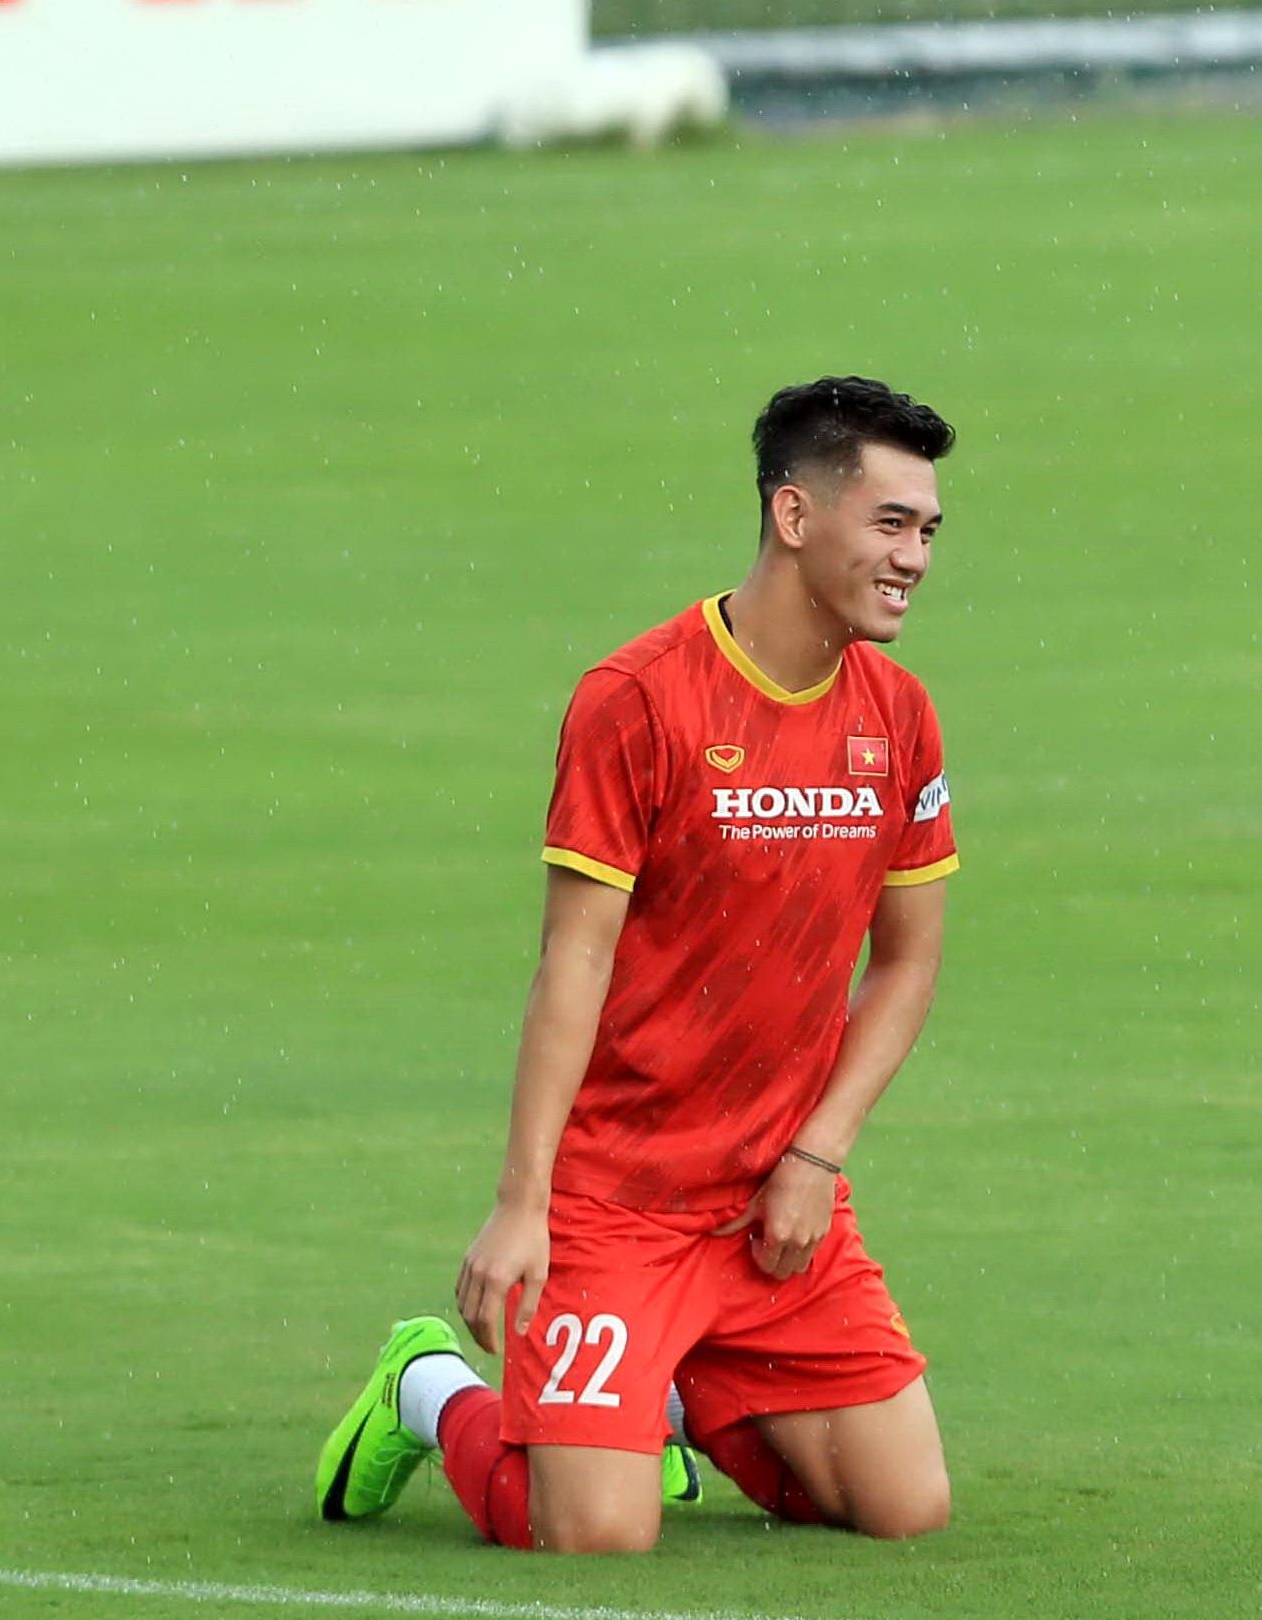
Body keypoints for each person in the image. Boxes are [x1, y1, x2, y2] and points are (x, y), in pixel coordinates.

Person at [312, 377, 962, 1552]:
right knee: (594, 1535)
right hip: (621, 1201)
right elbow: (573, 962)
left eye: (927, 529)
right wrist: (525, 1206)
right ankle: (428, 1388)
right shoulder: (639, 699)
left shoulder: (900, 714)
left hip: (775, 1197)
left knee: (904, 1508)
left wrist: (817, 1154)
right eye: (889, 522)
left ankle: (653, 1392)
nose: (914, 554)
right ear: (794, 515)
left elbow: (908, 965)